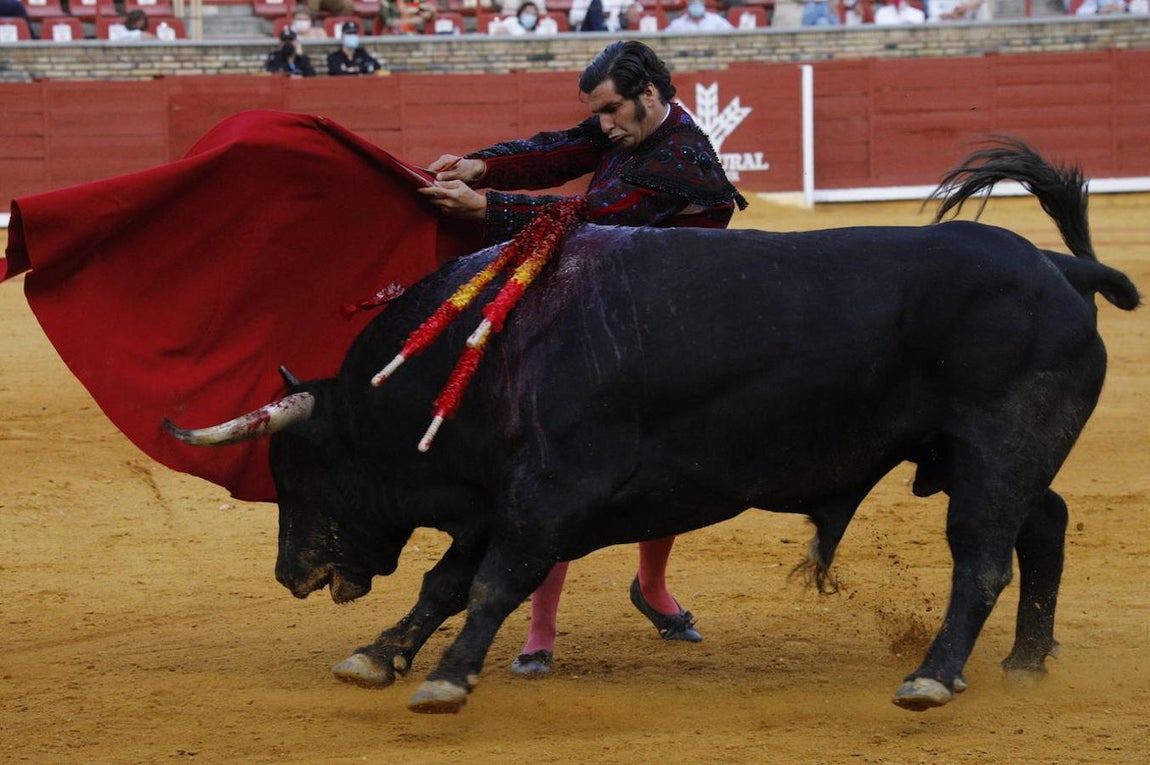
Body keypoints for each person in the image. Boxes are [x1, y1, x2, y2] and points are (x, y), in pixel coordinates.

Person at [419, 40, 746, 676]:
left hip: (674, 339)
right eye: (598, 112)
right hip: (603, 320)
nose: (603, 124)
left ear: (649, 94)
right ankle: (542, 628)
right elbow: (560, 150)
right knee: (558, 458)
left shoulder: (685, 158)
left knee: (669, 473)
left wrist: (488, 209)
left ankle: (651, 588)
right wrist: (480, 168)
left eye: (612, 109)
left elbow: (598, 217)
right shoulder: (624, 129)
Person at [665, 0, 735, 31]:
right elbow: (662, 39)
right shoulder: (677, 24)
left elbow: (734, 35)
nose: (696, 3)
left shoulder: (716, 21)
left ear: (703, 3)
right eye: (693, 1)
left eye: (698, 1)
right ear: (688, 4)